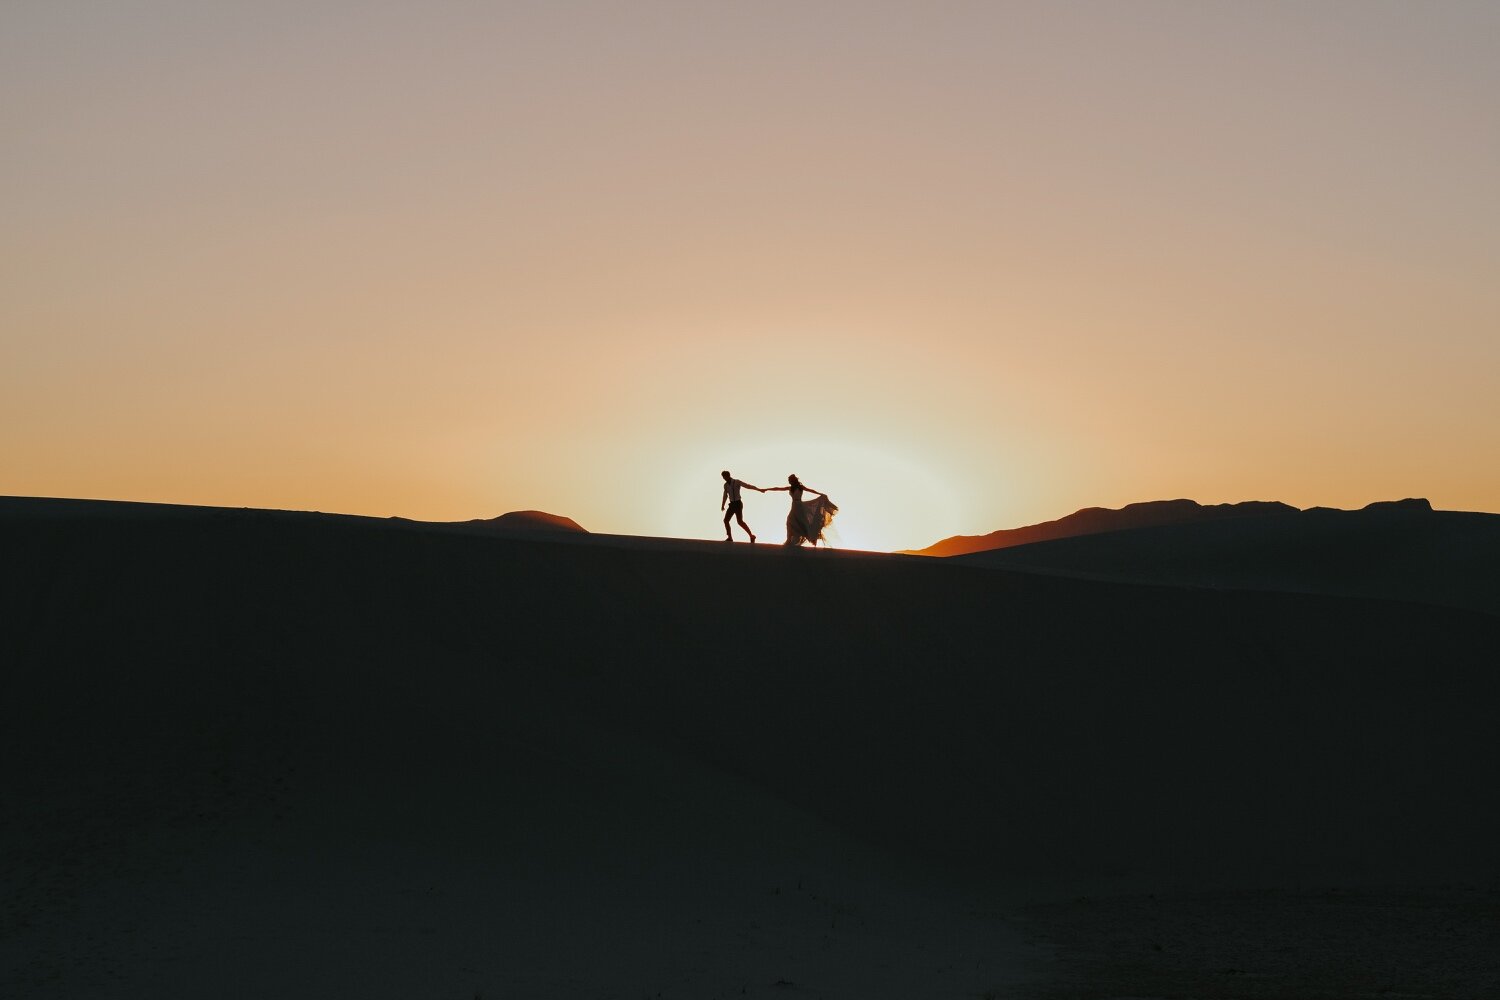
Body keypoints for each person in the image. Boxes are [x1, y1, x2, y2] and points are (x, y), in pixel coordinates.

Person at [764, 474, 838, 547]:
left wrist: (820, 494)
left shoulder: (800, 487)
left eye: (790, 480)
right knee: (790, 521)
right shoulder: (791, 488)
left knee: (799, 522)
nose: (789, 482)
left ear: (793, 480)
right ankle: (789, 539)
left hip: (799, 506)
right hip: (795, 505)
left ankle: (804, 538)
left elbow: (811, 490)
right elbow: (778, 488)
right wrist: (766, 489)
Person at [720, 470, 764, 542]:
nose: (724, 478)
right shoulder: (725, 485)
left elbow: (747, 486)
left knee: (740, 521)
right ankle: (730, 537)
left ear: (728, 476)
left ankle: (751, 536)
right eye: (723, 477)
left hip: (738, 503)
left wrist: (759, 489)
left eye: (724, 476)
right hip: (731, 505)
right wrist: (722, 505)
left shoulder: (736, 482)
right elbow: (725, 495)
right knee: (726, 520)